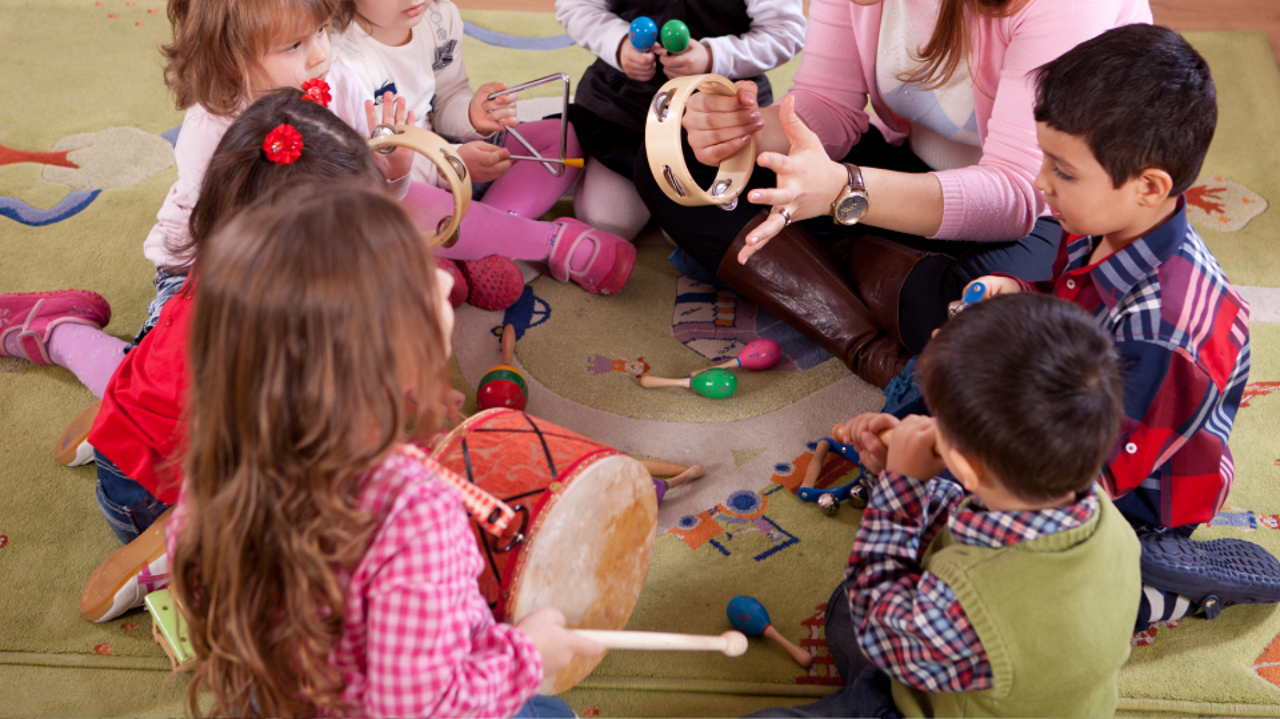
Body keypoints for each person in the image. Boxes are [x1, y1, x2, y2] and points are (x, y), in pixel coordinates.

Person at [165, 180, 603, 718]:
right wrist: (528, 654)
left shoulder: (220, 460)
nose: (442, 283)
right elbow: (421, 708)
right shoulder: (415, 510)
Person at [634, 0, 1151, 389]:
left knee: (997, 326)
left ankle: (813, 265)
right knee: (674, 160)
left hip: (1051, 207)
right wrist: (739, 130)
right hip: (907, 177)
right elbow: (826, 106)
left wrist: (842, 192)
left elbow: (1016, 194)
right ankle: (874, 350)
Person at [966, 23, 1280, 628]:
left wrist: (973, 462)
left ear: (1148, 187)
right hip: (1089, 415)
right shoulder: (1099, 230)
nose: (1040, 183)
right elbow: (1070, 308)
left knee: (1019, 605)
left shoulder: (1166, 333)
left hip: (1137, 493)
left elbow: (1094, 482)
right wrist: (1020, 297)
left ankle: (1167, 582)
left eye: (1063, 170)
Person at [76, 91, 400, 629]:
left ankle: (106, 403)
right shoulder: (261, 347)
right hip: (148, 498)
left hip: (146, 430)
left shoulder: (237, 256)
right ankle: (172, 552)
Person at [0, 0, 414, 397]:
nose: (320, 54)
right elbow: (228, 250)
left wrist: (392, 173)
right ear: (231, 55)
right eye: (294, 45)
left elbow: (365, 201)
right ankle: (59, 333)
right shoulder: (211, 127)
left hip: (307, 258)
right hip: (209, 270)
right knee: (169, 390)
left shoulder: (340, 86)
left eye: (322, 30)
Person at [757, 293, 1140, 717]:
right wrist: (893, 474)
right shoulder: (1090, 503)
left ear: (964, 464)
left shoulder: (973, 596)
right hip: (1021, 675)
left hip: (942, 697)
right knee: (844, 610)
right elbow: (971, 515)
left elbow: (880, 631)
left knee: (857, 609)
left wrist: (900, 490)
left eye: (939, 419)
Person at [332, 0, 637, 302]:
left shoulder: (438, 15)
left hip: (446, 156)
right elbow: (375, 162)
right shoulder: (340, 58)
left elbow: (448, 96)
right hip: (401, 181)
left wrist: (472, 117)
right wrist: (449, 163)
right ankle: (545, 242)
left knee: (560, 136)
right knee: (387, 198)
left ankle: (475, 245)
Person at [555, 0, 805, 240]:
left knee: (687, 231)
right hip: (624, 113)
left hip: (716, 119)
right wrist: (618, 44)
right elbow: (576, 6)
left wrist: (712, 57)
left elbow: (785, 31)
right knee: (608, 224)